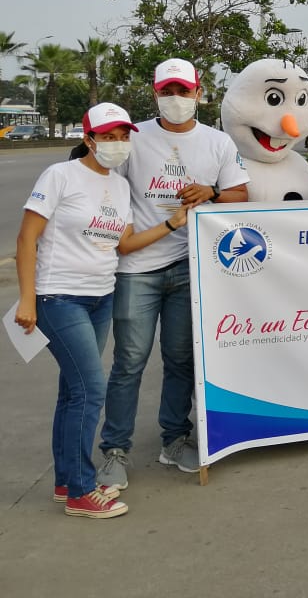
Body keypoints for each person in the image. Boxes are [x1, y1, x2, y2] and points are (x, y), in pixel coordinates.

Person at [14, 104, 190, 518]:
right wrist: (27, 299)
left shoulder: (120, 186)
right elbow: (26, 238)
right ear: (89, 139)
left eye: (123, 136)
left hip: (100, 297)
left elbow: (124, 244)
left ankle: (65, 482)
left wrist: (172, 224)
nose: (117, 144)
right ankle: (81, 490)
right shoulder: (60, 175)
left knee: (73, 392)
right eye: (108, 137)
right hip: (58, 297)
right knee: (91, 390)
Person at [97, 59, 250, 491]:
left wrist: (212, 193)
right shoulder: (134, 138)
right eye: (168, 91)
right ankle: (115, 449)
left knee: (181, 359)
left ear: (199, 93)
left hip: (191, 267)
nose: (176, 99)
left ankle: (174, 438)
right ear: (155, 93)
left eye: (184, 90)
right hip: (137, 268)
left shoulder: (218, 142)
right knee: (129, 361)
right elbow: (108, 188)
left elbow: (241, 194)